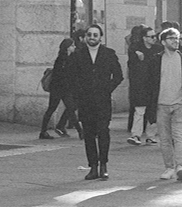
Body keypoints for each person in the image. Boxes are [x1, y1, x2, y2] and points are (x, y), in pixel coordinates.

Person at [57, 24, 125, 181]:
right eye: (89, 35)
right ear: (85, 37)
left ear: (100, 37)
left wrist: (107, 89)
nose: (92, 37)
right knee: (88, 134)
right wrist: (79, 92)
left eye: (95, 35)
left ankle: (103, 165)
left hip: (103, 101)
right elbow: (70, 76)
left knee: (103, 132)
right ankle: (93, 166)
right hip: (85, 101)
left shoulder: (109, 54)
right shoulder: (78, 55)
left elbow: (118, 76)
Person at [136, 25, 182, 181]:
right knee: (165, 139)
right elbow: (149, 83)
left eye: (177, 38)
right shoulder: (156, 60)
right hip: (161, 105)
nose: (175, 41)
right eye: (172, 38)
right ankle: (169, 167)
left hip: (180, 105)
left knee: (179, 137)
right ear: (163, 42)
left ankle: (180, 166)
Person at [38, 32, 78, 139]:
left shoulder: (70, 58)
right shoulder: (61, 59)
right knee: (52, 109)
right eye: (72, 45)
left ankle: (78, 132)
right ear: (67, 47)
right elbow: (60, 76)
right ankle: (43, 132)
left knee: (70, 108)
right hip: (58, 89)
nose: (74, 47)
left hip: (63, 89)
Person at [124, 25, 154, 144]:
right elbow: (131, 65)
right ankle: (136, 135)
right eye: (151, 36)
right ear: (144, 38)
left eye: (155, 36)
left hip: (153, 83)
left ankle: (150, 136)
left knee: (152, 110)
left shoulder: (157, 49)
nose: (154, 38)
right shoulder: (136, 49)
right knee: (139, 110)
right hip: (140, 84)